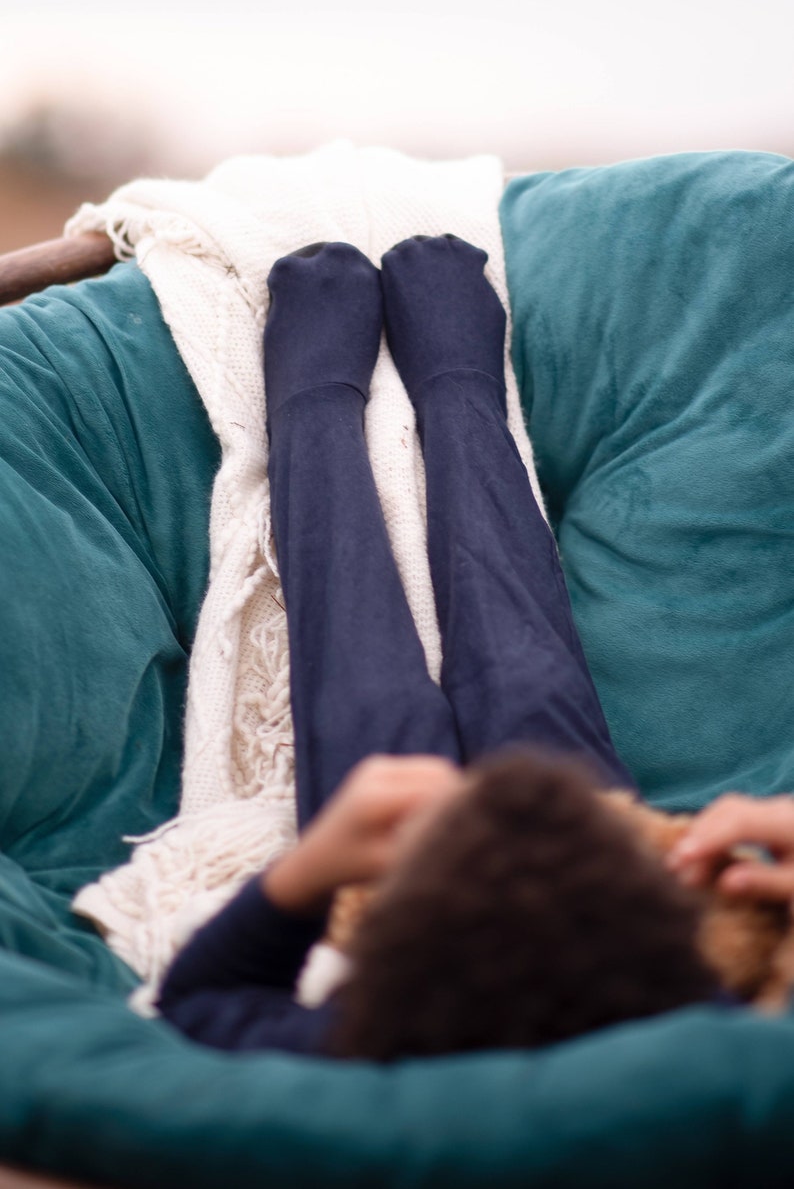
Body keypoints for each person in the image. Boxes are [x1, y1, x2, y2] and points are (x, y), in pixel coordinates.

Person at [158, 235, 725, 1056]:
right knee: (525, 688)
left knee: (377, 709)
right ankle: (456, 393)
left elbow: (198, 998)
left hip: (439, 922)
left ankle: (315, 410)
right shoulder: (715, 1060)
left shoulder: (382, 1057)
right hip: (612, 929)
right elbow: (209, 1003)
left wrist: (309, 872)